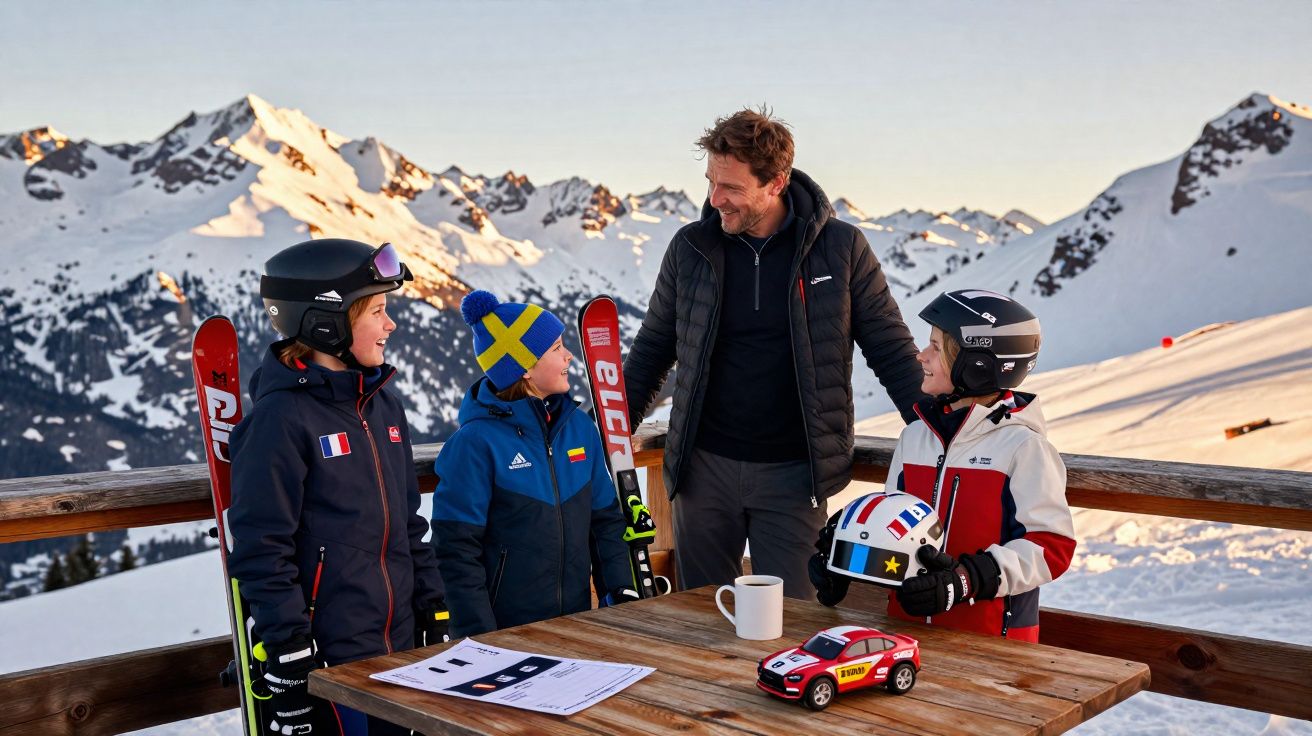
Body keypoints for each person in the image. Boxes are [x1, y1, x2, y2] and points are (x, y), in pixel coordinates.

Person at [622, 108, 926, 599]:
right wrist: (608, 430)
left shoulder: (841, 249)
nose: (715, 199)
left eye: (732, 188)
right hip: (703, 473)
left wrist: (937, 428)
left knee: (793, 620)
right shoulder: (691, 249)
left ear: (776, 183)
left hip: (793, 476)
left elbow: (890, 349)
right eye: (711, 183)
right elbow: (654, 348)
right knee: (699, 616)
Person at [227, 239, 448, 735]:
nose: (391, 325)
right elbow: (263, 548)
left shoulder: (383, 407)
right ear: (325, 322)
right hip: (332, 662)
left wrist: (434, 603)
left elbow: (409, 523)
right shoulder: (280, 421)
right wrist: (288, 647)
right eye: (377, 311)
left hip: (404, 649)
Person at [815, 288, 1076, 641]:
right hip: (906, 633)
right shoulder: (915, 438)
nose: (921, 356)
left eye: (937, 348)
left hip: (992, 641)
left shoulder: (1023, 447)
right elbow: (896, 532)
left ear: (978, 364)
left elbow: (1051, 548)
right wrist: (844, 561)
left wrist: (963, 581)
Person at [430, 290, 637, 638]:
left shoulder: (579, 429)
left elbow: (605, 522)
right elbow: (456, 552)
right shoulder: (475, 444)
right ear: (525, 367)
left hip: (575, 624)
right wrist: (479, 635)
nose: (570, 356)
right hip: (506, 633)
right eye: (556, 348)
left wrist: (618, 588)